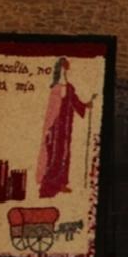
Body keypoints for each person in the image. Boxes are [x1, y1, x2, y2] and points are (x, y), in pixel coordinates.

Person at [36, 57, 96, 198]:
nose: (66, 72)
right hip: (56, 129)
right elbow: (51, 112)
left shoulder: (69, 88)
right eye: (63, 69)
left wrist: (86, 105)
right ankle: (49, 184)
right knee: (54, 155)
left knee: (64, 153)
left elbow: (75, 102)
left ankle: (61, 181)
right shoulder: (55, 90)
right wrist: (49, 129)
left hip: (66, 127)